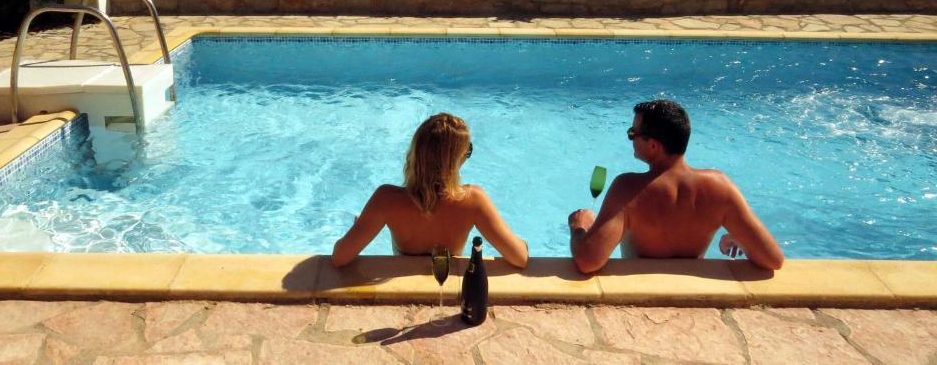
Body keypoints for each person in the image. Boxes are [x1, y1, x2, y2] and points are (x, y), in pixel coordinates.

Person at [568, 99, 784, 273]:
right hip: (695, 298)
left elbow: (589, 262)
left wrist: (580, 227)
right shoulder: (719, 187)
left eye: (632, 133)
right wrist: (742, 238)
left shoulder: (628, 189)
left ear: (653, 145)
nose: (630, 138)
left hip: (641, 293)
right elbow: (773, 260)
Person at [332, 113, 529, 268]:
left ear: (415, 152)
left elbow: (339, 258)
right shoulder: (474, 200)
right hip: (449, 286)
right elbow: (520, 258)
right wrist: (520, 243)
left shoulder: (385, 200)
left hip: (405, 288)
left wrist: (357, 227)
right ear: (456, 160)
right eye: (467, 151)